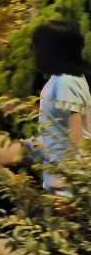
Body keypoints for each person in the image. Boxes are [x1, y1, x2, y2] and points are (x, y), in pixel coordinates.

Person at [31, 21, 91, 196]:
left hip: (68, 189)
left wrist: (66, 180)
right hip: (64, 182)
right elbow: (60, 129)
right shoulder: (68, 78)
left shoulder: (66, 82)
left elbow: (78, 136)